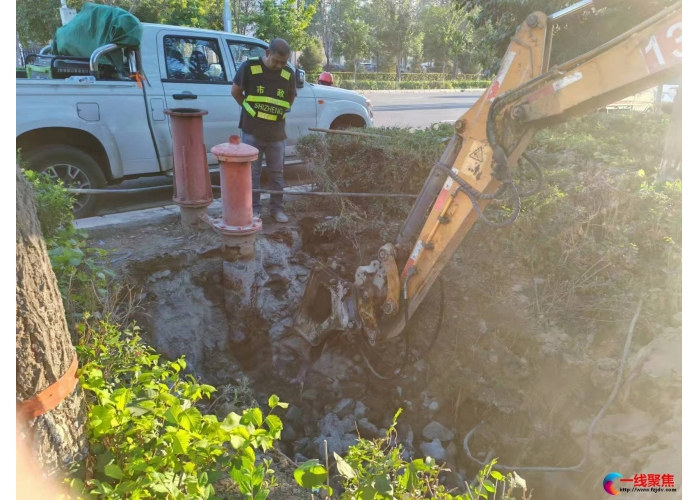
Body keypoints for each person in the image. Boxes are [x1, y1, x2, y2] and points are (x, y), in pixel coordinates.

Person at [231, 39, 297, 223]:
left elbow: (290, 99)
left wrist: (275, 113)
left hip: (276, 133)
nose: (279, 65)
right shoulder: (250, 68)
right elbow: (236, 91)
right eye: (276, 60)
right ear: (267, 53)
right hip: (252, 131)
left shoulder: (287, 74)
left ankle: (276, 209)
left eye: (284, 62)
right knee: (253, 174)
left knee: (277, 174)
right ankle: (254, 210)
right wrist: (249, 111)